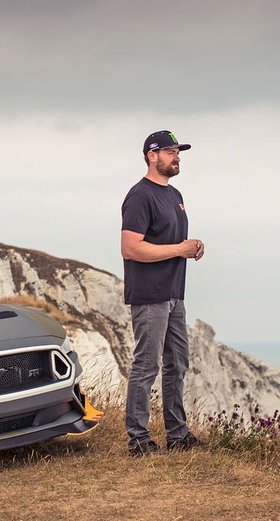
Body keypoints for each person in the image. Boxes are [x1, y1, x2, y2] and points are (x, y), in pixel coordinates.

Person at [120, 130, 204, 456]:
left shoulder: (175, 195)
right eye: (170, 152)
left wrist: (191, 247)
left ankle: (178, 436)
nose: (177, 156)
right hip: (149, 295)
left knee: (177, 363)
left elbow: (171, 244)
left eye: (178, 151)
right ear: (152, 156)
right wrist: (177, 249)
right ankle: (138, 442)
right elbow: (130, 248)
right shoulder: (140, 196)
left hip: (174, 294)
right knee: (146, 367)